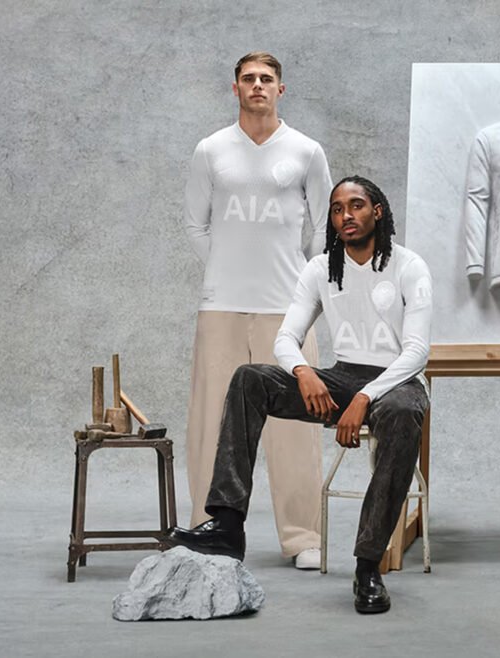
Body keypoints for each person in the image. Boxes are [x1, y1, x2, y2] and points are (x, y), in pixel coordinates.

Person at [169, 176, 433, 615]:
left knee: (404, 413)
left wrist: (364, 399)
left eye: (356, 205)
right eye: (336, 209)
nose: (346, 215)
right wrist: (304, 372)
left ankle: (368, 566)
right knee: (250, 379)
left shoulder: (409, 266)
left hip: (397, 383)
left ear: (377, 211)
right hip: (342, 376)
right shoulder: (320, 268)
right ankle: (228, 525)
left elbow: (417, 352)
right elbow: (287, 336)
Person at [182, 52, 333, 569]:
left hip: (286, 312)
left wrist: (299, 280)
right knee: (211, 420)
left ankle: (304, 538)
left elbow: (323, 228)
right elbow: (195, 226)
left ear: (281, 90)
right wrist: (225, 269)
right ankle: (213, 528)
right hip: (221, 307)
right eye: (249, 79)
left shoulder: (307, 151)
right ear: (236, 88)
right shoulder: (211, 150)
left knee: (297, 425)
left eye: (266, 79)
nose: (258, 86)